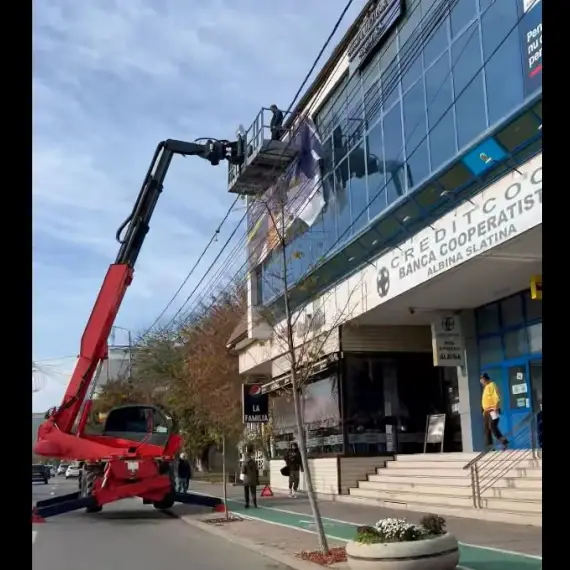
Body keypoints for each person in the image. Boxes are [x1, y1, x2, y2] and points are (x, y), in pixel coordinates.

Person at [480, 373, 508, 450]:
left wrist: (496, 407)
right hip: (486, 411)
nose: (481, 381)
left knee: (492, 427)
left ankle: (504, 441)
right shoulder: (486, 387)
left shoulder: (492, 385)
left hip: (492, 410)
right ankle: (490, 447)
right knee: (486, 429)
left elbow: (497, 396)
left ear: (485, 379)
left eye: (482, 379)